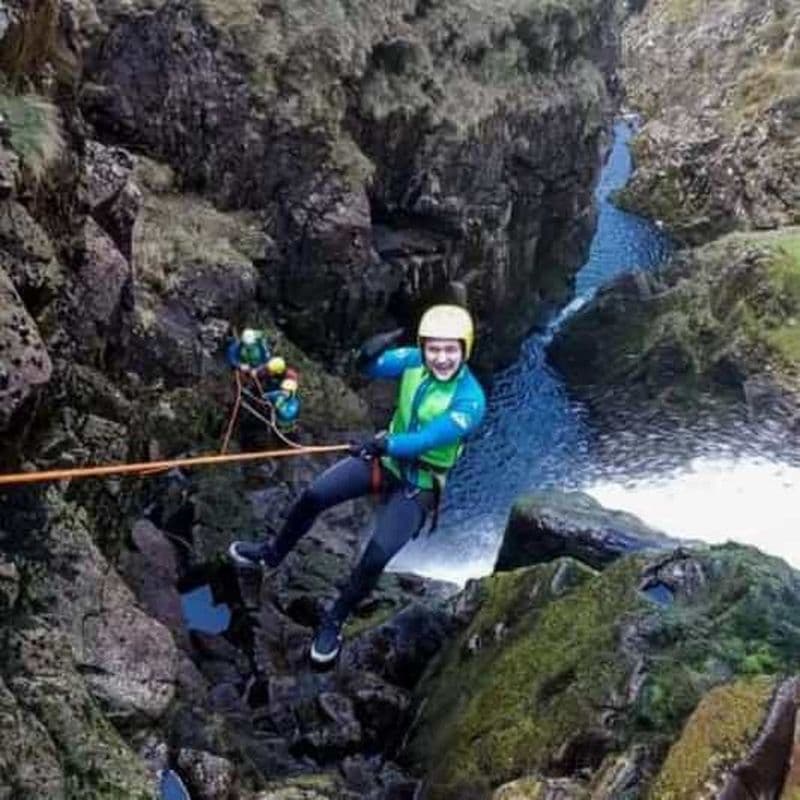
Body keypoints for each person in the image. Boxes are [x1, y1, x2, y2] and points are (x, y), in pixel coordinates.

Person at [228, 305, 486, 664]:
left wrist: (384, 444)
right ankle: (270, 555)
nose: (441, 358)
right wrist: (369, 352)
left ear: (465, 349)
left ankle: (336, 618)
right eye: (434, 348)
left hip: (419, 481)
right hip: (387, 459)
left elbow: (429, 438)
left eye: (451, 350)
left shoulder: (471, 401)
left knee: (376, 556)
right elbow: (371, 369)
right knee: (315, 495)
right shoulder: (414, 360)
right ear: (424, 347)